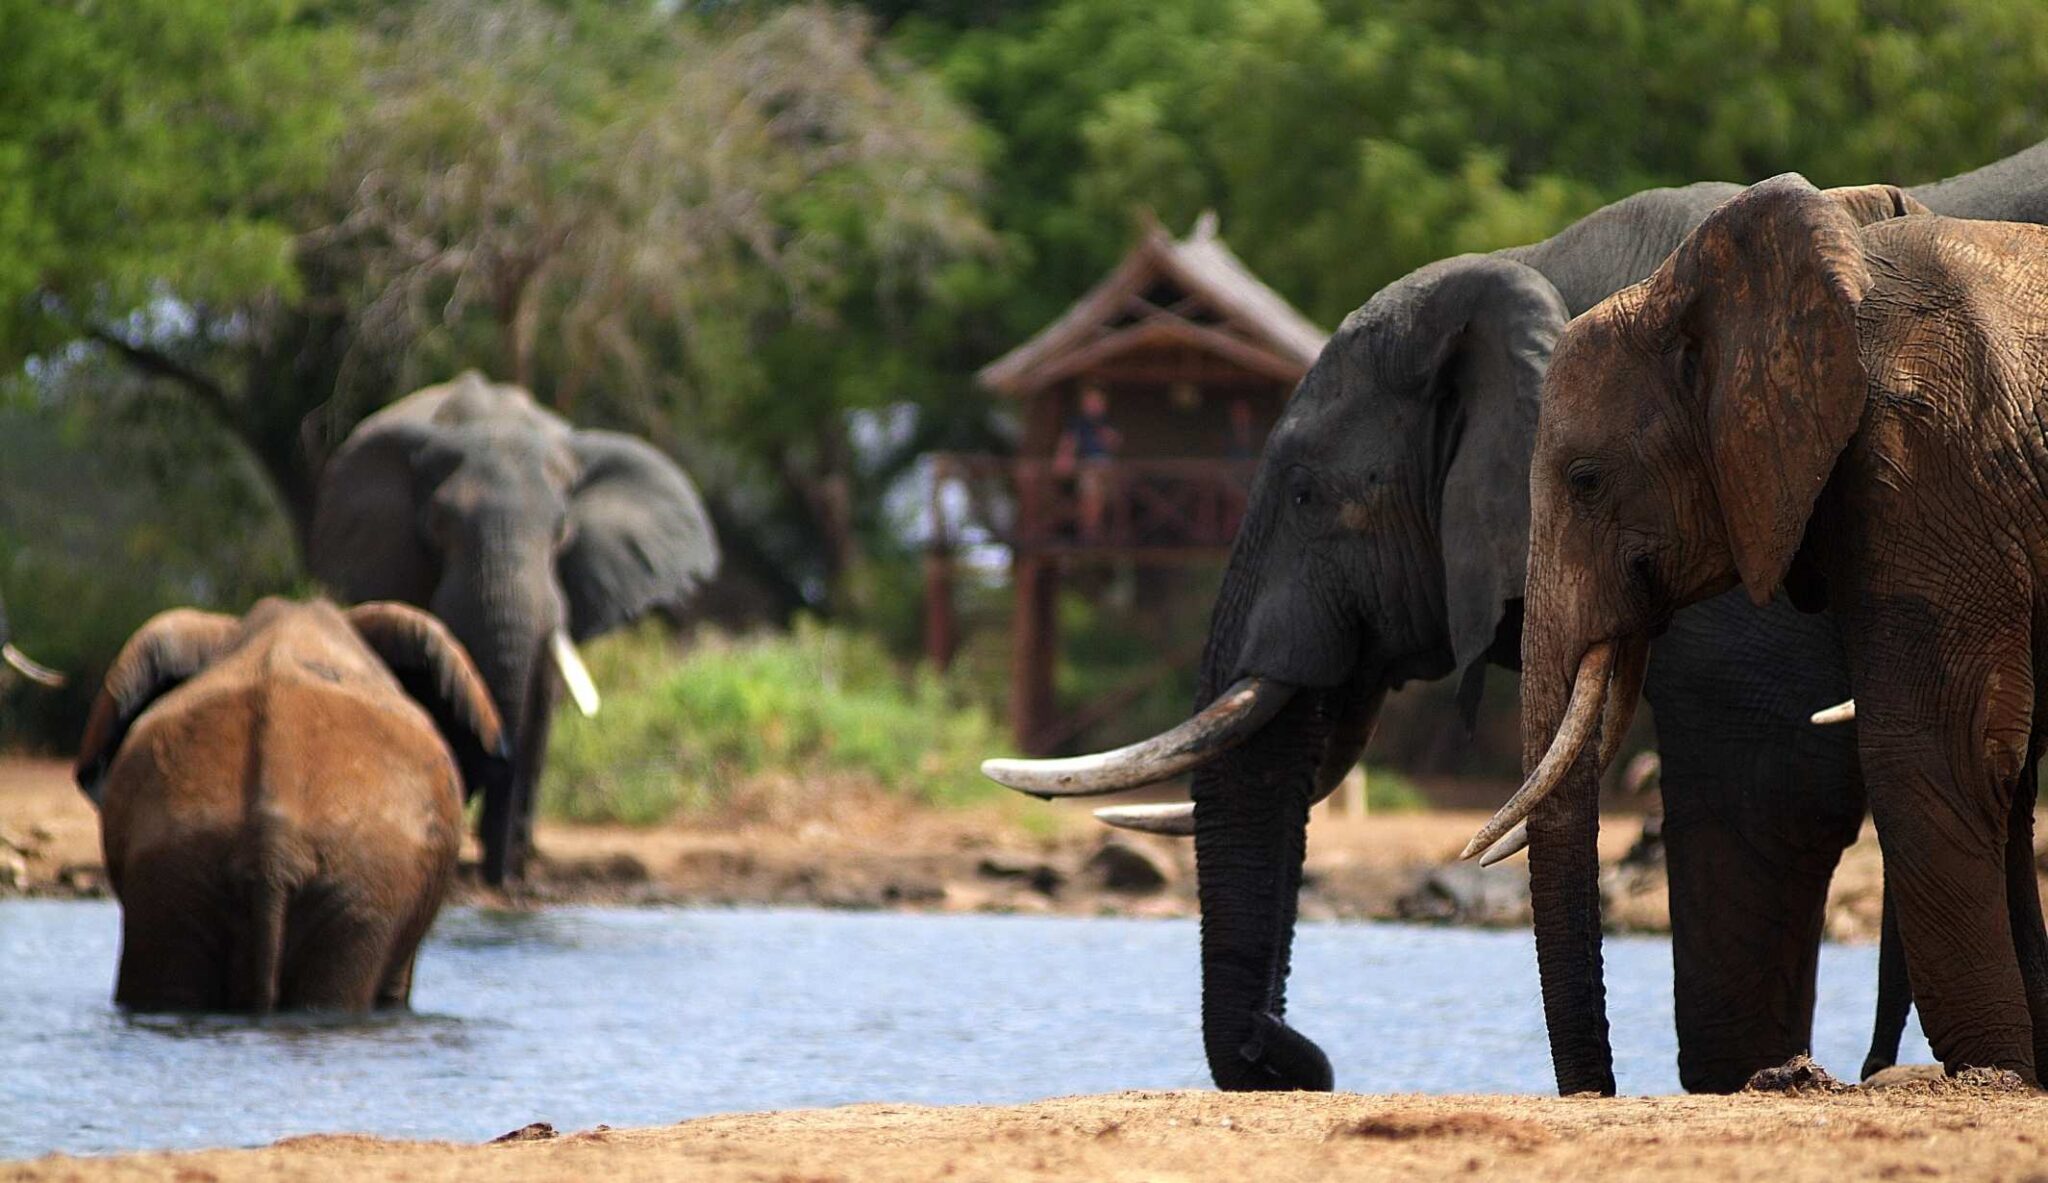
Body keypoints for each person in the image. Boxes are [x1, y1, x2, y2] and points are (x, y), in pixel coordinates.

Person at [1052, 384, 1121, 542]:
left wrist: (1110, 438)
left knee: (1106, 495)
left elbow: (1115, 442)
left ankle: (1098, 528)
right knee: (1091, 493)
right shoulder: (1077, 423)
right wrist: (1063, 459)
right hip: (1088, 465)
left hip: (1106, 465)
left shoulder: (1106, 422)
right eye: (1091, 401)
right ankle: (1090, 530)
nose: (1094, 405)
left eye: (1098, 401)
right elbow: (1068, 443)